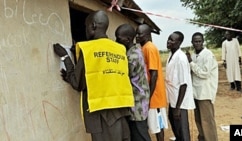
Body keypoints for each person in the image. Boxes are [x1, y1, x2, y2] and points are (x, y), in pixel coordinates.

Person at [53, 10, 134, 141]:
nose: (85, 30)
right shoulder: (120, 49)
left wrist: (65, 57)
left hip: (101, 114)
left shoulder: (88, 49)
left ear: (93, 26)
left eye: (86, 26)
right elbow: (107, 73)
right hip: (121, 109)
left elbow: (77, 84)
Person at [115, 24, 151, 141]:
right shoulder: (135, 49)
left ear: (128, 39)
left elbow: (123, 78)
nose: (116, 41)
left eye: (119, 38)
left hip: (137, 105)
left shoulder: (132, 57)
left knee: (140, 136)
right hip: (141, 101)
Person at [136, 24, 168, 141]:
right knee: (154, 125)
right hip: (150, 94)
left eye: (140, 34)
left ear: (147, 35)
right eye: (137, 34)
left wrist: (149, 96)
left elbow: (154, 74)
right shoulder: (144, 48)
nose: (137, 37)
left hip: (154, 96)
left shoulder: (149, 48)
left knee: (158, 126)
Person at [186, 32, 218, 141]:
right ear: (192, 42)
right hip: (196, 93)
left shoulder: (208, 54)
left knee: (207, 121)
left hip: (205, 93)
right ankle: (202, 138)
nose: (198, 43)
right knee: (198, 120)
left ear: (203, 42)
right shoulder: (193, 54)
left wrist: (191, 63)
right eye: (195, 41)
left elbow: (205, 73)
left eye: (199, 41)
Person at [165, 31, 195, 141]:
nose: (169, 41)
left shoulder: (181, 58)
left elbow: (184, 84)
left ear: (179, 43)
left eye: (172, 40)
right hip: (173, 97)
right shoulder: (171, 55)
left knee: (182, 129)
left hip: (180, 101)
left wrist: (178, 107)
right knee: (174, 122)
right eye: (169, 38)